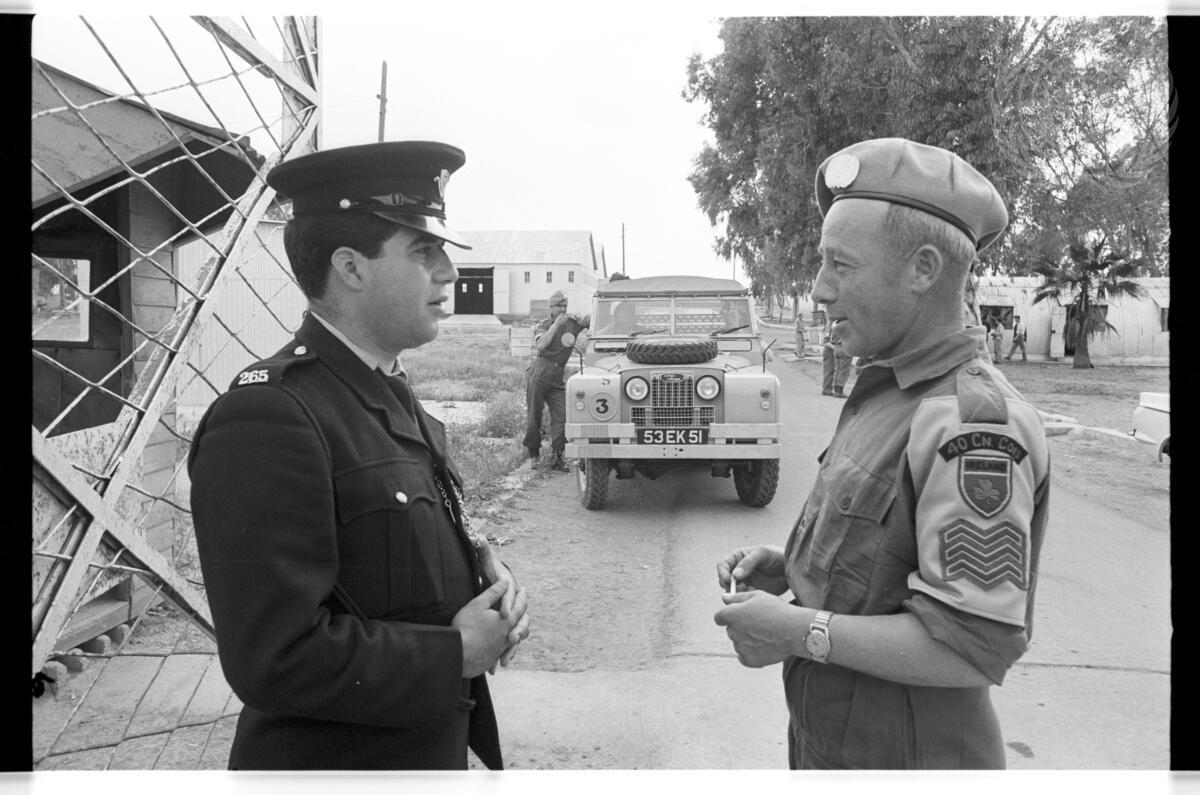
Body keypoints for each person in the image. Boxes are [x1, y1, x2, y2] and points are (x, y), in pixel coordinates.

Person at [187, 141, 530, 770]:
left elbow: (385, 565)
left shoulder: (385, 392)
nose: (450, 273)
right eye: (424, 251)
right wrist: (456, 654)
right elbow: (273, 657)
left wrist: (482, 578)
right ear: (350, 268)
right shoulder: (269, 417)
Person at [714, 138, 1050, 770]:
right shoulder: (888, 389)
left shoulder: (971, 425)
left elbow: (972, 647)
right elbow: (883, 556)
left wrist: (798, 631)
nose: (819, 290)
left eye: (841, 265)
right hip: (836, 750)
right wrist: (795, 570)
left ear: (923, 269)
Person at [523, 290, 589, 472]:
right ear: (550, 307)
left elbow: (593, 321)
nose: (562, 309)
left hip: (557, 374)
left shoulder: (572, 323)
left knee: (562, 416)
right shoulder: (543, 325)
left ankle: (557, 456)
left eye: (564, 306)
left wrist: (582, 318)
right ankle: (534, 455)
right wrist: (556, 325)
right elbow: (541, 344)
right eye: (558, 306)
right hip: (539, 372)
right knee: (534, 416)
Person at [820, 316, 852, 397]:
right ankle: (828, 390)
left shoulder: (834, 324)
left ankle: (831, 389)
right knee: (831, 371)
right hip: (830, 349)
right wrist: (837, 348)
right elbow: (826, 342)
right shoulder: (831, 325)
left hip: (834, 348)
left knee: (836, 370)